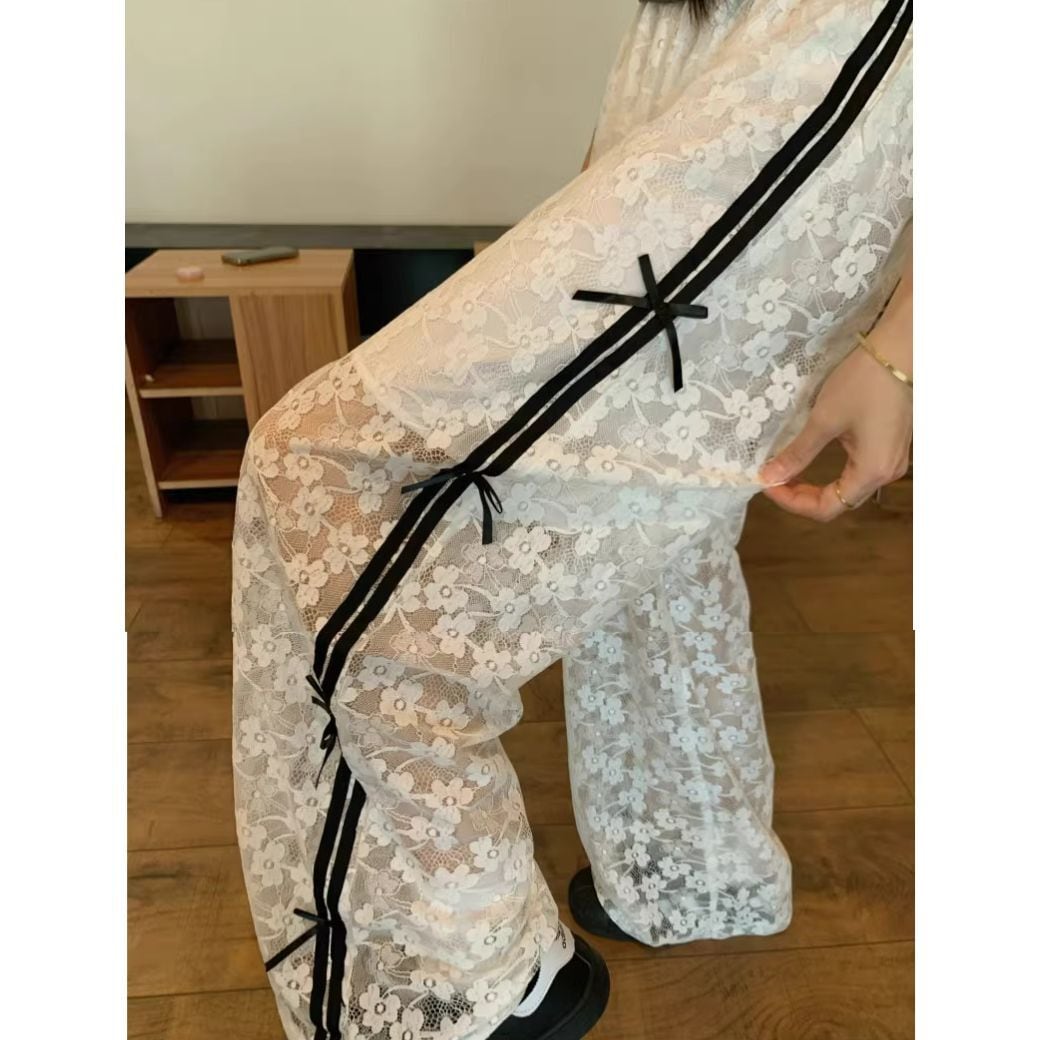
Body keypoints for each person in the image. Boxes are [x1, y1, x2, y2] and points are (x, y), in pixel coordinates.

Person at [231, 1, 913, 1039]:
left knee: (316, 457)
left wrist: (909, 344)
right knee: (662, 530)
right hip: (693, 31)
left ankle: (480, 964)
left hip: (838, 46)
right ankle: (688, 868)